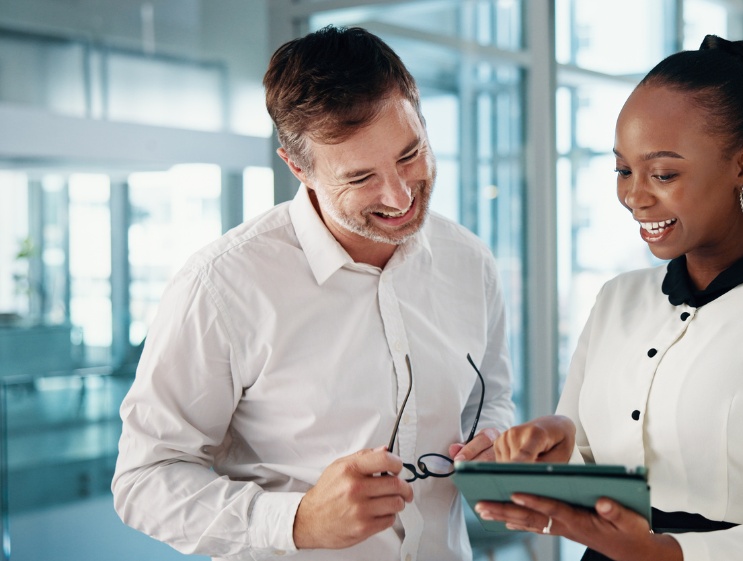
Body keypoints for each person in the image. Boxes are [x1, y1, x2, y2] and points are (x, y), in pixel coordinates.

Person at [477, 35, 743, 561]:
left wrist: (661, 553)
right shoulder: (616, 300)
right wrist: (557, 462)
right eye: (623, 170)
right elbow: (591, 487)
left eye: (664, 173)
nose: (635, 196)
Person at [112, 26, 515, 561]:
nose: (399, 195)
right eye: (361, 177)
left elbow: (489, 402)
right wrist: (295, 521)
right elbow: (144, 480)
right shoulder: (221, 286)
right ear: (298, 168)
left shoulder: (470, 261)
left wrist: (491, 447)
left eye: (411, 153)